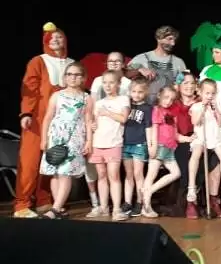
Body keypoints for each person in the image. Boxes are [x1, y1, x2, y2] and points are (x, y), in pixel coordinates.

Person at [15, 22, 74, 218]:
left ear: (65, 40)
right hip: (38, 119)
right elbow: (29, 89)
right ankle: (22, 204)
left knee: (53, 160)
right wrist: (26, 113)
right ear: (46, 40)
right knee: (30, 161)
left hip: (62, 121)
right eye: (52, 37)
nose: (56, 39)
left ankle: (44, 200)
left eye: (59, 36)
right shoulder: (38, 61)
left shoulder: (72, 64)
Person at [39, 62, 93, 219]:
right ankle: (59, 208)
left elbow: (88, 120)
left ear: (83, 78)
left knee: (65, 172)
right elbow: (48, 117)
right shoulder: (57, 95)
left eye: (77, 74)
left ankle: (55, 209)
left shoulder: (86, 98)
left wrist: (89, 141)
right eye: (69, 74)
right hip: (56, 137)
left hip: (74, 139)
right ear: (65, 77)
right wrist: (44, 139)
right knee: (55, 173)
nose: (73, 77)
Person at [86, 70, 130, 221]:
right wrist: (93, 126)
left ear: (118, 84)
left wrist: (107, 113)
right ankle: (104, 207)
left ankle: (116, 209)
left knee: (114, 176)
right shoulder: (98, 103)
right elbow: (94, 122)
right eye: (105, 82)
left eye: (111, 82)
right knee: (101, 176)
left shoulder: (123, 99)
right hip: (98, 143)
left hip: (113, 143)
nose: (108, 85)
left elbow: (124, 118)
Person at [142, 86, 186, 218]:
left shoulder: (172, 111)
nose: (168, 101)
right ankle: (146, 206)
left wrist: (187, 138)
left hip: (169, 148)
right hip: (159, 146)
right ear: (159, 96)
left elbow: (175, 132)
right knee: (151, 175)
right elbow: (154, 130)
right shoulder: (157, 110)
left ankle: (149, 191)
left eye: (171, 99)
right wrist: (153, 146)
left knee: (176, 173)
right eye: (166, 98)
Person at [188, 79, 221, 206]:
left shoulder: (216, 107)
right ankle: (191, 186)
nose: (210, 96)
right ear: (200, 93)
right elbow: (195, 122)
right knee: (196, 154)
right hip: (201, 138)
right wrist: (202, 109)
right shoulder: (196, 106)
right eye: (207, 93)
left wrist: (216, 110)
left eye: (212, 93)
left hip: (215, 138)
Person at [127, 26, 187, 104]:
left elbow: (186, 82)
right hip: (144, 106)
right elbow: (125, 74)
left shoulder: (179, 62)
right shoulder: (142, 58)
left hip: (167, 107)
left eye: (174, 40)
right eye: (169, 39)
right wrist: (139, 70)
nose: (173, 43)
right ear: (159, 38)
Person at [120, 78, 153, 217]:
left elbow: (149, 127)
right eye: (134, 91)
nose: (136, 94)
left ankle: (140, 201)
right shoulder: (126, 106)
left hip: (140, 144)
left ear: (145, 92)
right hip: (126, 143)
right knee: (128, 174)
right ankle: (127, 202)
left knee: (138, 174)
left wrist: (150, 145)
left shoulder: (148, 108)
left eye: (140, 92)